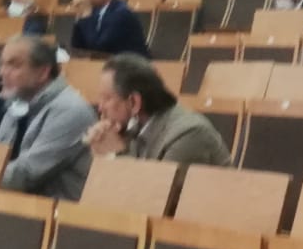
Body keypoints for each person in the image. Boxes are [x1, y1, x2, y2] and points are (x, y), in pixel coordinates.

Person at [0, 35, 96, 200]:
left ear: (42, 73)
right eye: (2, 64)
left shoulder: (70, 110)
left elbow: (26, 173)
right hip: (12, 204)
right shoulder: (17, 104)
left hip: (57, 212)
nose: (2, 73)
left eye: (14, 65)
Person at [86, 55, 230, 170]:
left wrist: (115, 155)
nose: (100, 108)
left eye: (107, 98)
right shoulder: (133, 128)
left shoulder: (187, 135)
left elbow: (158, 196)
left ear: (134, 102)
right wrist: (102, 156)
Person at [71, 0, 151, 58]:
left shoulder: (122, 13)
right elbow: (77, 48)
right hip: (108, 62)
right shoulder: (95, 11)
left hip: (132, 64)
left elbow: (98, 49)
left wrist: (86, 14)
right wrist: (80, 15)